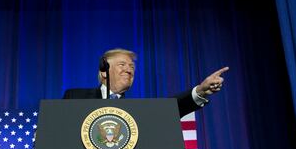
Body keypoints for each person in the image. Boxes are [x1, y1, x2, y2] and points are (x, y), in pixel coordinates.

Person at [62, 48, 229, 117]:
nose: (129, 69)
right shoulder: (75, 97)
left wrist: (199, 91)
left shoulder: (138, 111)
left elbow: (168, 109)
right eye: (122, 65)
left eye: (132, 66)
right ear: (103, 72)